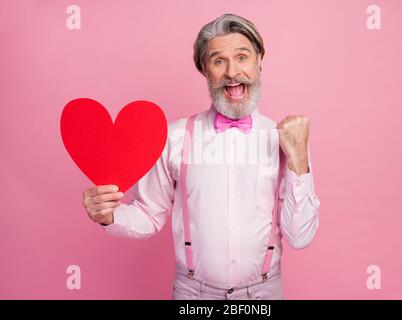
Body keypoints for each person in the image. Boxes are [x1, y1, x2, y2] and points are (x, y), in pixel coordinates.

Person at [82, 13, 320, 300]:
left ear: (259, 61)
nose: (233, 72)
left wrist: (298, 162)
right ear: (204, 70)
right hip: (193, 295)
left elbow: (300, 237)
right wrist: (109, 216)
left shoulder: (286, 139)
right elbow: (148, 214)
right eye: (219, 61)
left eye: (242, 57)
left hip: (263, 295)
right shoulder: (174, 137)